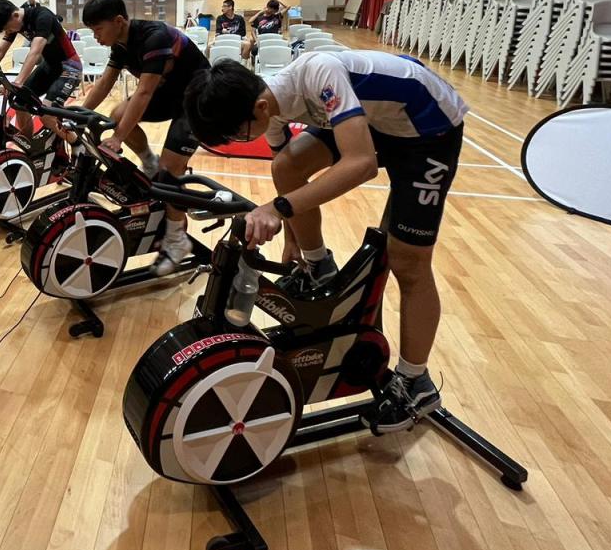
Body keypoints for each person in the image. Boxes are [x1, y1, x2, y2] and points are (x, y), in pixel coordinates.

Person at [183, 51, 468, 432]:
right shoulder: (269, 108)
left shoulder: (319, 74)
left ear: (259, 107)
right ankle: (319, 267)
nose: (237, 141)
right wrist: (292, 240)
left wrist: (277, 209)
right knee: (286, 164)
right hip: (380, 121)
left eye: (236, 135)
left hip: (428, 129)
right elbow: (287, 174)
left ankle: (416, 382)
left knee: (408, 262)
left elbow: (361, 164)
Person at [79, 0, 209, 274]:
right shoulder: (120, 44)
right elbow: (104, 83)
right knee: (117, 114)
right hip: (171, 95)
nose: (95, 36)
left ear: (119, 21)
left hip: (198, 100)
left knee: (170, 170)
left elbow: (145, 92)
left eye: (98, 29)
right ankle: (149, 161)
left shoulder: (155, 37)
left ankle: (177, 239)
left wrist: (118, 138)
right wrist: (79, 115)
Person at [0, 0, 80, 141]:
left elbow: (35, 52)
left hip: (69, 67)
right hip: (49, 66)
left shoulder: (42, 16)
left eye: (8, 28)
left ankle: (77, 144)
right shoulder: (15, 22)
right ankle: (29, 145)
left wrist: (18, 82)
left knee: (46, 115)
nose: (8, 32)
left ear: (15, 15)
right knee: (19, 103)